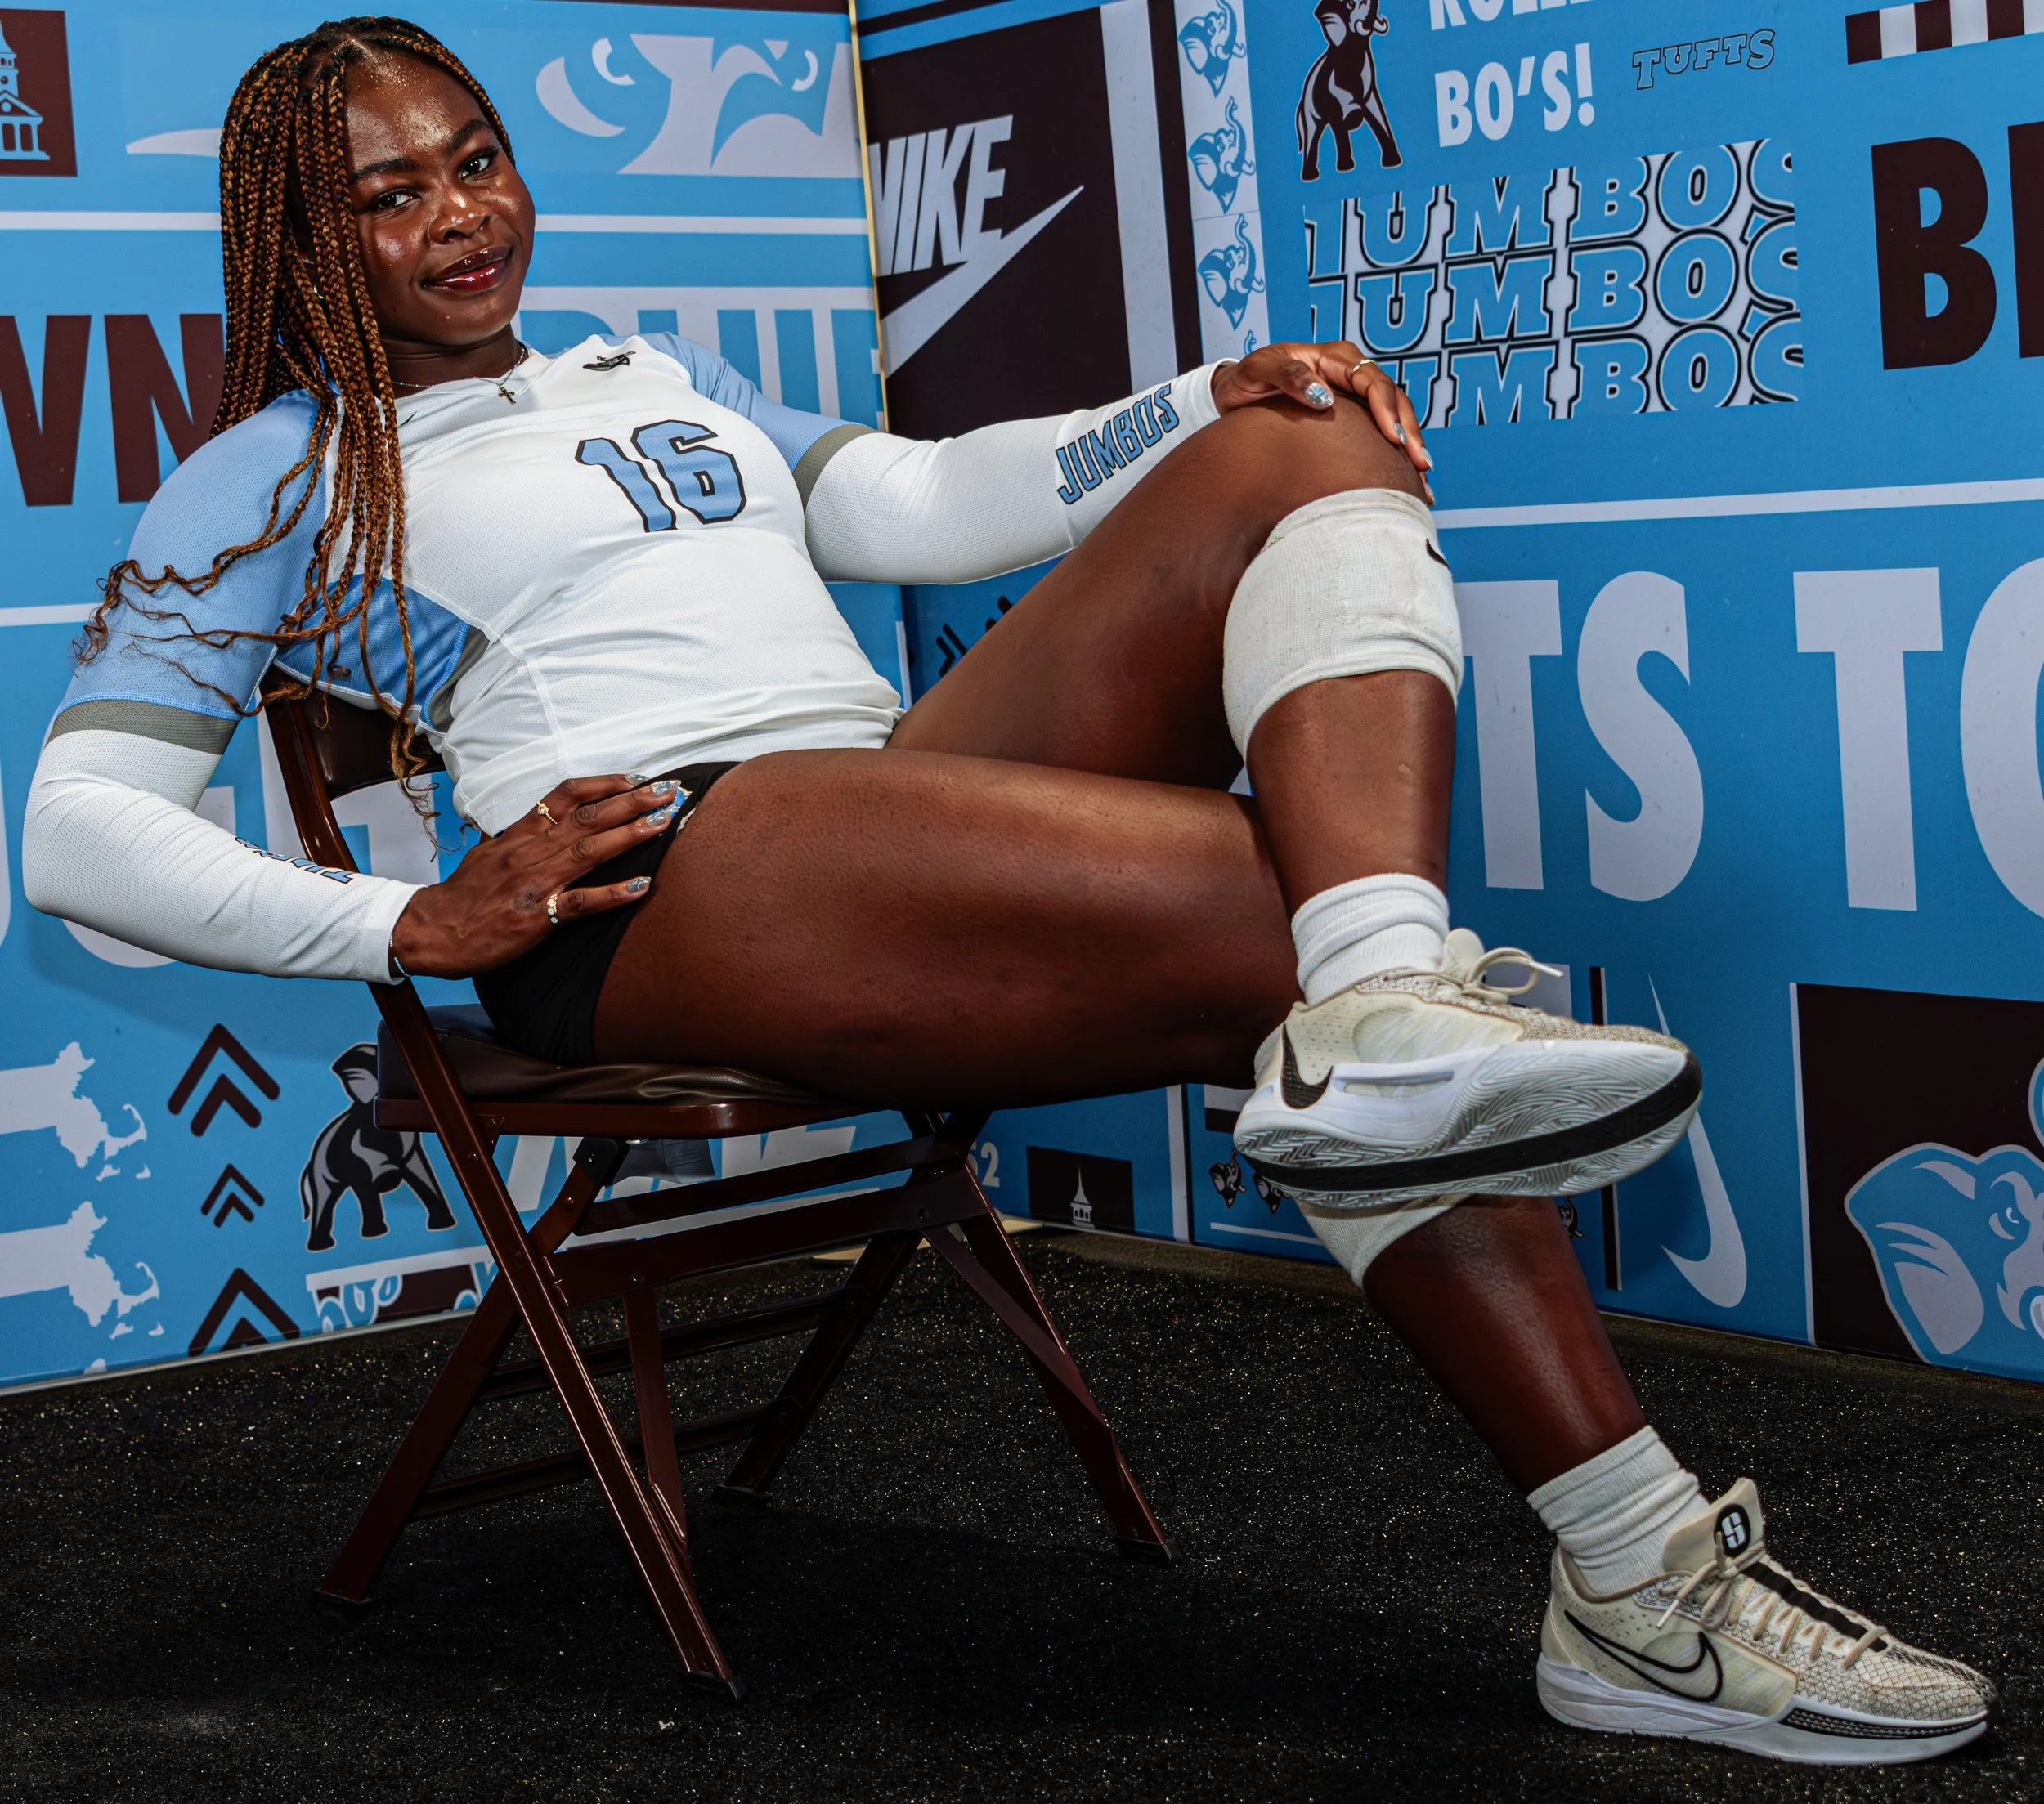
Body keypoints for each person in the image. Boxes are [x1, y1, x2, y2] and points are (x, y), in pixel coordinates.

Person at [20, 17, 1992, 1764]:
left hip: (875, 806)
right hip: (667, 877)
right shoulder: (279, 468)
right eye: (387, 194)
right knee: (1291, 929)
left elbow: (912, 498)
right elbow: (79, 826)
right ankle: (1635, 1560)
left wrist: (1198, 393)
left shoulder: (641, 368)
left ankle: (1387, 1020)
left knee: (1291, 451)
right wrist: (412, 923)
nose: (459, 213)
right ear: (300, 237)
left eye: (477, 159)